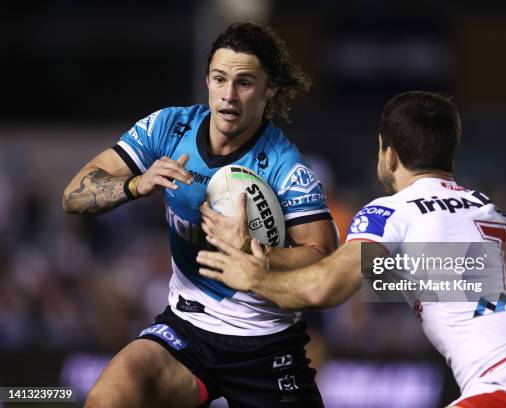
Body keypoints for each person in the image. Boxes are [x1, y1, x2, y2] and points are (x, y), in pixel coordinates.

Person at [197, 91, 506, 407]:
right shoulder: (504, 218)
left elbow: (323, 289)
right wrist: (267, 252)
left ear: (389, 155)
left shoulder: (392, 211)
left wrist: (253, 278)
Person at [63, 22, 338, 408]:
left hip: (263, 343)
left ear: (269, 88)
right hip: (186, 330)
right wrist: (135, 185)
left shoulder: (286, 168)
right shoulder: (167, 128)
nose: (228, 96)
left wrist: (253, 250)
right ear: (206, 79)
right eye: (219, 79)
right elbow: (73, 195)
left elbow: (325, 259)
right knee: (111, 394)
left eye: (244, 83)